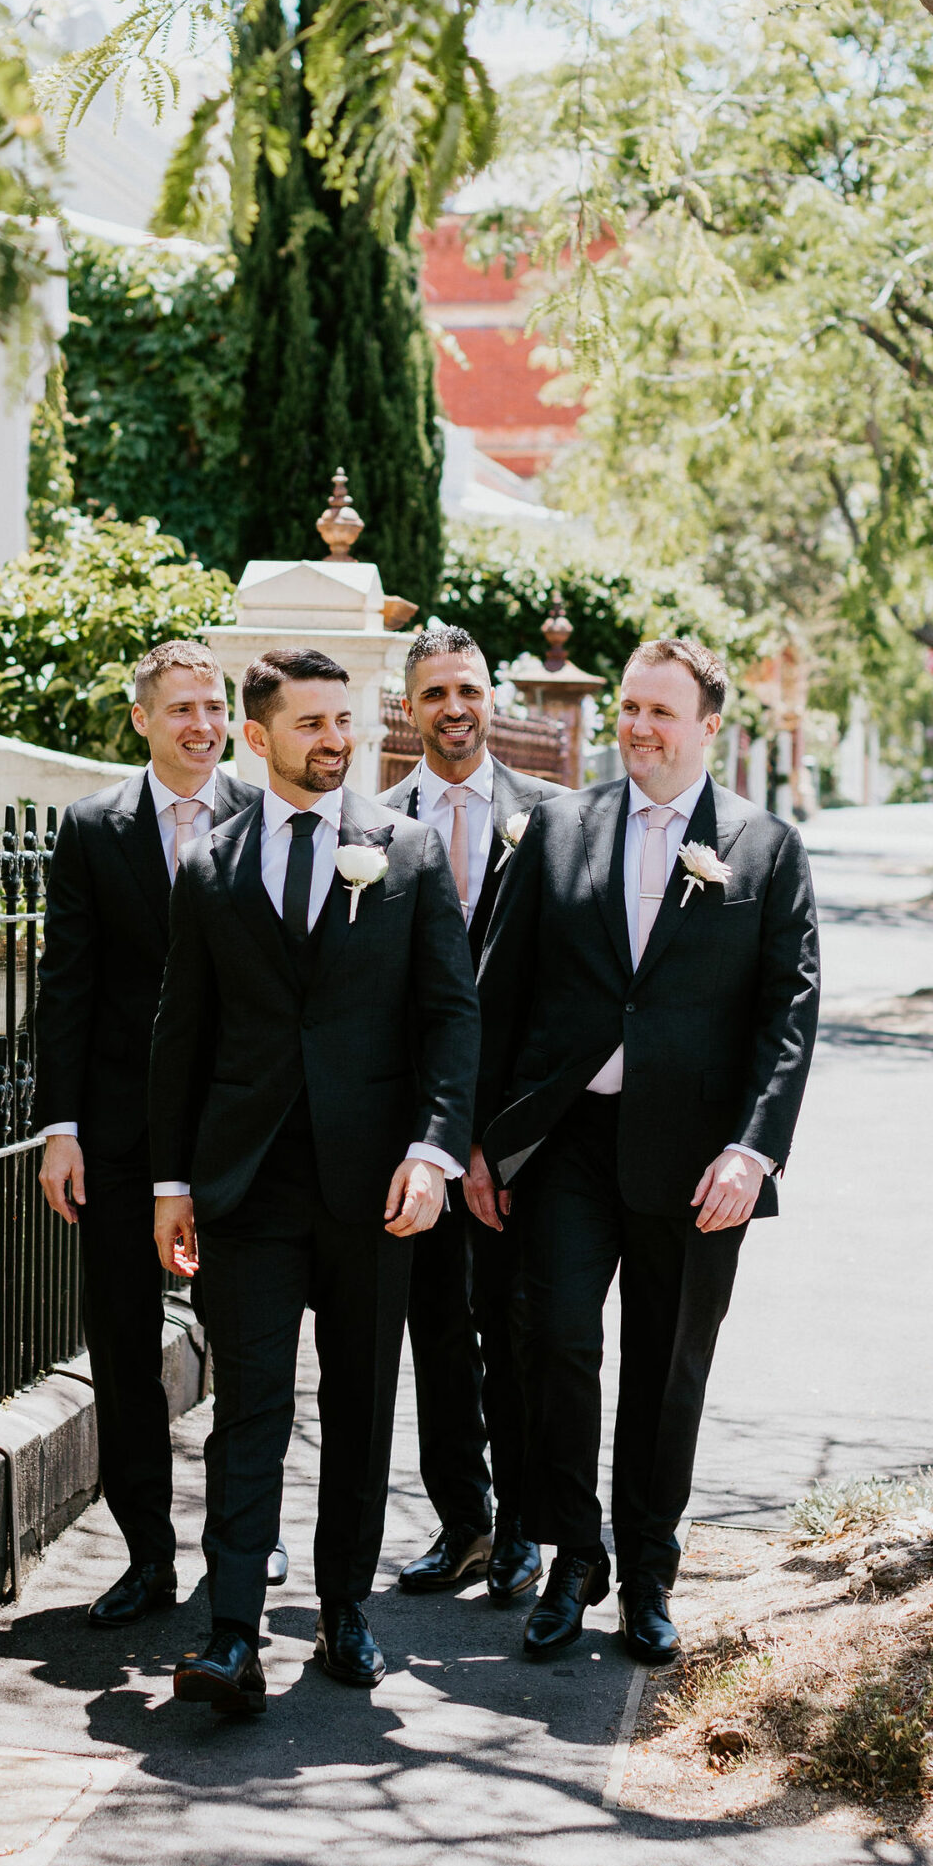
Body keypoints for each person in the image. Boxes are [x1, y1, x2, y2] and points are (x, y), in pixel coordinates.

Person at [473, 637, 819, 1669]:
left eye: (662, 712)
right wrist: (485, 1145)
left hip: (696, 1157)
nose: (638, 727)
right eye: (629, 707)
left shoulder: (764, 848)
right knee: (559, 1342)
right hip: (571, 1140)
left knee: (670, 1370)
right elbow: (500, 989)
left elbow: (789, 1016)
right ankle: (575, 1555)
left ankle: (651, 1573)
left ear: (711, 726)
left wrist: (753, 1152)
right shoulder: (559, 827)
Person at [148, 647, 480, 1716]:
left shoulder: (410, 851)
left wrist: (433, 1152)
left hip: (373, 1186)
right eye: (312, 724)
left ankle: (345, 1611)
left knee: (359, 1402)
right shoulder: (211, 864)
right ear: (259, 737)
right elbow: (181, 1033)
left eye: (347, 720)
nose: (336, 740)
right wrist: (170, 1182)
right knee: (248, 1407)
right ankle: (233, 1632)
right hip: (247, 1185)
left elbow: (449, 1019)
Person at [32, 641, 259, 1629]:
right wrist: (62, 1128)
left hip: (237, 1134)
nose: (202, 725)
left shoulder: (262, 818)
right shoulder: (93, 830)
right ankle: (146, 1556)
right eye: (182, 709)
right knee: (123, 1348)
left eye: (213, 706)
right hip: (120, 1136)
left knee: (246, 1344)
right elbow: (68, 985)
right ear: (142, 719)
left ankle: (236, 1543)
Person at [381, 624, 554, 1606]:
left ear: (493, 698)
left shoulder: (555, 817)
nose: (456, 707)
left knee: (516, 1326)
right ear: (410, 708)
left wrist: (499, 1137)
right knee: (435, 1332)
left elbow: (562, 994)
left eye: (471, 689)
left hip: (518, 1140)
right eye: (437, 692)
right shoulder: (372, 820)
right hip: (412, 1136)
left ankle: (525, 1527)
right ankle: (464, 1525)